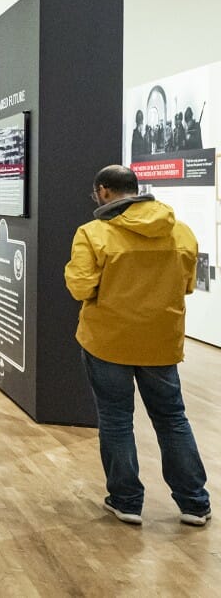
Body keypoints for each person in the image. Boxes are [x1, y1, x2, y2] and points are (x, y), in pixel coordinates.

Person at [64, 164, 210, 527]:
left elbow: (80, 287)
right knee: (172, 418)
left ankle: (126, 500)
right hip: (161, 342)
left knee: (116, 420)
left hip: (107, 341)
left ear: (103, 192)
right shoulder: (180, 232)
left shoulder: (93, 233)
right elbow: (187, 284)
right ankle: (195, 503)